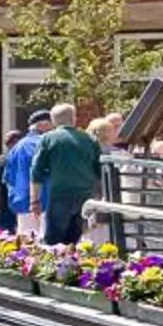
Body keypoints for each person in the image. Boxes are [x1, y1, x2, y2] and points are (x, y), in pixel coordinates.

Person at [31, 102, 101, 245]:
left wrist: (34, 200)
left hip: (60, 195)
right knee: (75, 240)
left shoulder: (48, 139)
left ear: (53, 120)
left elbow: (36, 171)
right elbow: (99, 170)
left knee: (53, 240)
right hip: (85, 195)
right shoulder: (89, 139)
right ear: (73, 118)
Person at [2, 110, 48, 237]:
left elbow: (8, 178)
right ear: (42, 125)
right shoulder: (46, 142)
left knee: (25, 248)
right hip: (45, 202)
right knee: (50, 248)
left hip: (22, 204)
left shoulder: (17, 147)